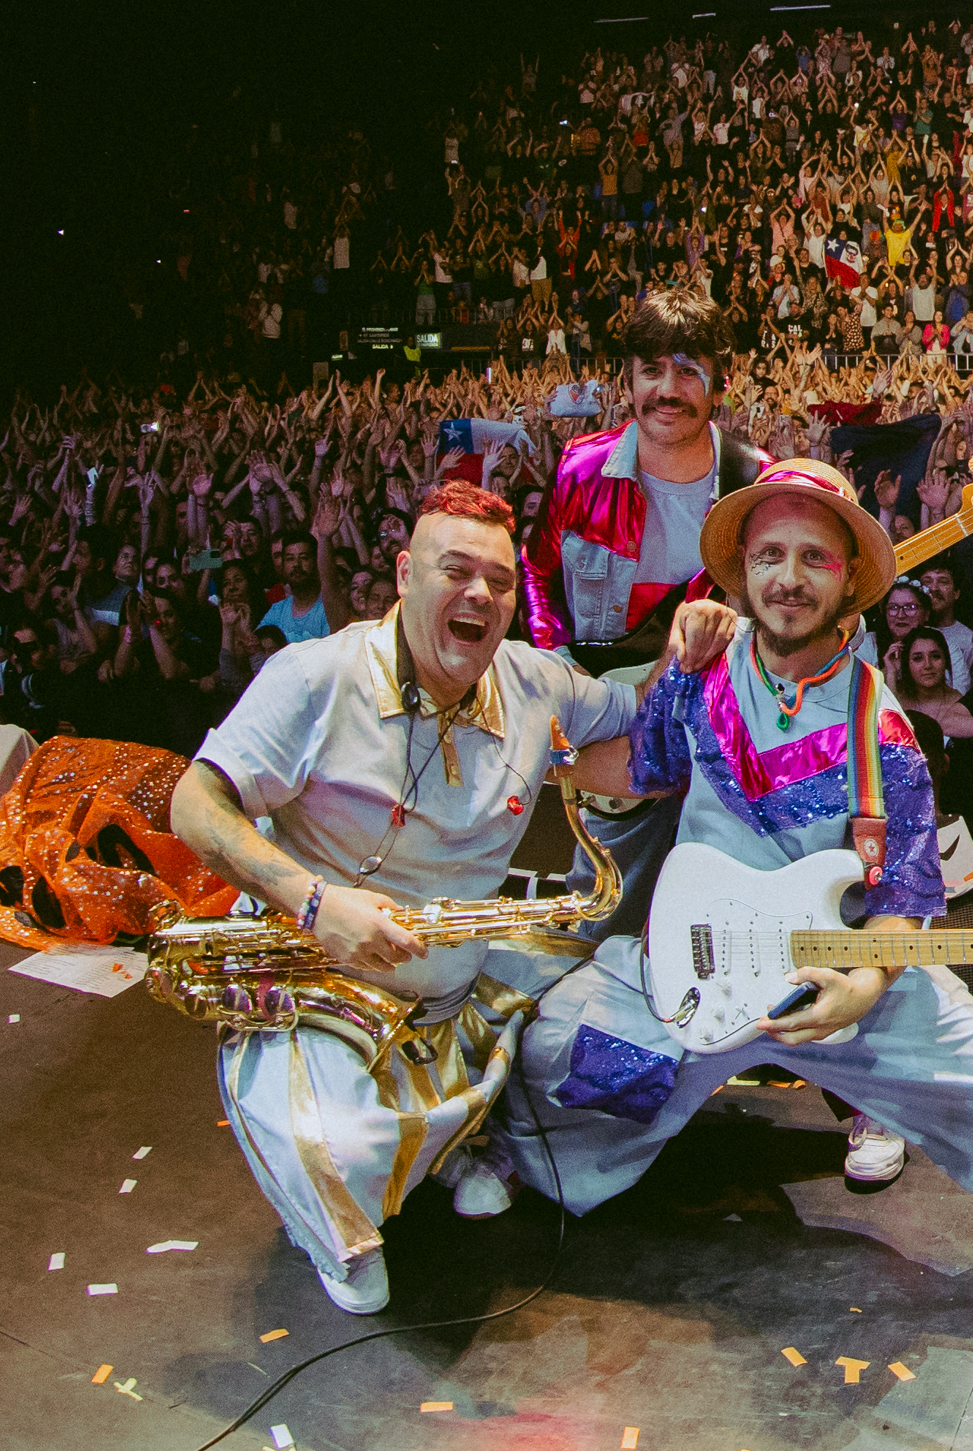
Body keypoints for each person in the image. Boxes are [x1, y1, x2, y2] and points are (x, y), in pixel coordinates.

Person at [496, 462, 973, 1284]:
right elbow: (640, 768)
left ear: (849, 575)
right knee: (552, 1050)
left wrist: (861, 986)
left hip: (844, 978)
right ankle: (518, 1162)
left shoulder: (882, 732)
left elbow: (902, 903)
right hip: (694, 970)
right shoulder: (700, 669)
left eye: (813, 557)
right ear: (742, 566)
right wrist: (524, 743)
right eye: (770, 554)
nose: (787, 578)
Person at [166, 482, 658, 1316]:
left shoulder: (537, 681)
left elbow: (636, 718)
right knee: (337, 1150)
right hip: (324, 981)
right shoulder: (314, 676)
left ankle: (463, 1138)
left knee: (630, 1026)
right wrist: (318, 903)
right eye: (454, 570)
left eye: (499, 582)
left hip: (464, 981)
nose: (480, 595)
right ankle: (355, 1203)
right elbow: (193, 803)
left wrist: (700, 645)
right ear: (404, 573)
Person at [521, 288, 765, 666]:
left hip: (718, 713)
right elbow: (537, 573)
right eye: (652, 371)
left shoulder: (760, 485)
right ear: (627, 383)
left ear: (720, 388)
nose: (667, 391)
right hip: (601, 709)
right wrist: (560, 672)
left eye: (687, 372)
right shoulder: (578, 471)